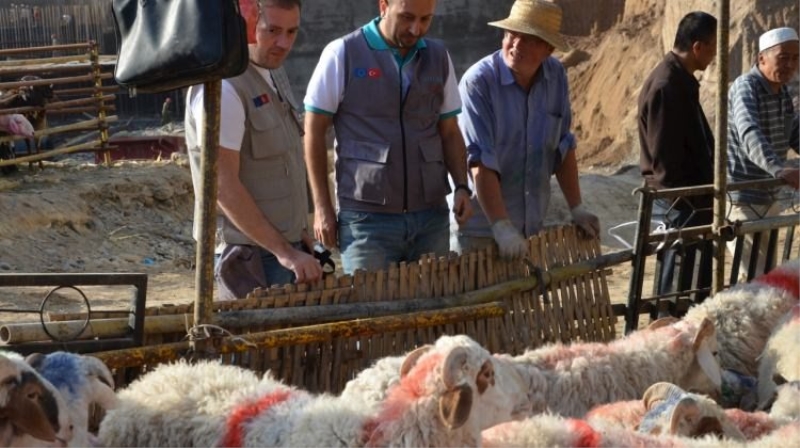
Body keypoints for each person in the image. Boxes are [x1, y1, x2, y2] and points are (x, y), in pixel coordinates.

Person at [303, 0, 473, 274]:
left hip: (431, 216)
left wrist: (462, 186)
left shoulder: (439, 57)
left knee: (432, 309)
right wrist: (322, 208)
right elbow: (313, 131)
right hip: (366, 221)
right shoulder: (343, 53)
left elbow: (450, 131)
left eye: (425, 19)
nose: (416, 29)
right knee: (371, 309)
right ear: (383, 5)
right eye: (407, 17)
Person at [184, 0, 322, 300]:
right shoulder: (225, 88)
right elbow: (221, 185)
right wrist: (285, 252)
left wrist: (298, 233)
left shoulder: (272, 71)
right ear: (246, 23)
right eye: (272, 30)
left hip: (280, 252)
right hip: (250, 259)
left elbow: (281, 163)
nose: (283, 43)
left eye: (291, 31)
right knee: (252, 345)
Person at [454, 0, 600, 259]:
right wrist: (501, 225)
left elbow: (563, 145)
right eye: (512, 34)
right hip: (480, 231)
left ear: (548, 48)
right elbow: (479, 160)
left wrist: (576, 207)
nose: (516, 45)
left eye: (529, 39)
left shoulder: (555, 76)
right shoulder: (478, 83)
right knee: (481, 299)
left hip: (528, 227)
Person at [638, 11, 717, 314]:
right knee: (674, 292)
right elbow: (665, 162)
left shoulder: (680, 81)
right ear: (698, 47)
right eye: (712, 47)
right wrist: (690, 200)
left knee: (693, 289)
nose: (713, 56)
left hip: (690, 204)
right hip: (680, 206)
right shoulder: (666, 85)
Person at [726, 27, 799, 277]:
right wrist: (779, 168)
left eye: (796, 58)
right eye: (783, 57)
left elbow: (795, 132)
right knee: (756, 280)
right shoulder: (746, 86)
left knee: (766, 277)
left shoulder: (782, 92)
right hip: (742, 199)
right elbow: (749, 133)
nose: (790, 64)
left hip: (769, 198)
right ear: (761, 58)